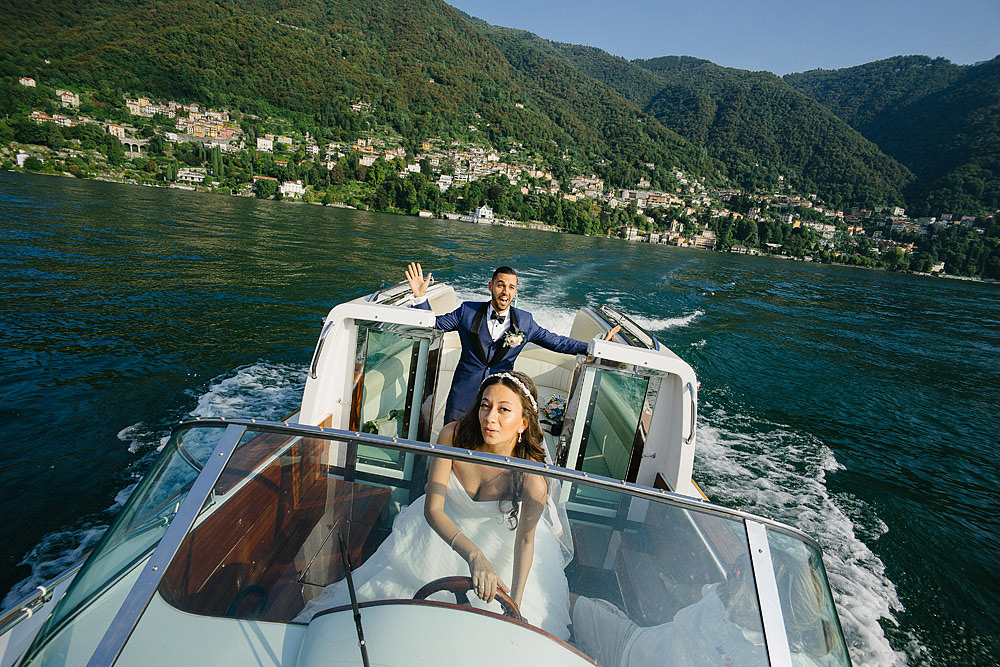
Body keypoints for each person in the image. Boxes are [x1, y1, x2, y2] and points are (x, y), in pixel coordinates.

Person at [295, 371, 572, 640]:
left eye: (503, 410)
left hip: (504, 551)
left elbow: (525, 540)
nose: (490, 418)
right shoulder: (452, 436)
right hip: (439, 536)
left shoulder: (532, 480)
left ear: (523, 423)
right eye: (485, 406)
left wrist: (516, 604)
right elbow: (433, 509)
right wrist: (474, 556)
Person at [406, 263, 620, 423]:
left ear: (515, 291)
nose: (505, 291)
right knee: (452, 446)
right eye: (500, 285)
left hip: (500, 401)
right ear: (491, 286)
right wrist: (419, 299)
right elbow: (433, 326)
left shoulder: (525, 321)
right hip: (462, 398)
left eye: (511, 287)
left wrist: (595, 346)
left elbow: (557, 342)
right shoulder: (467, 311)